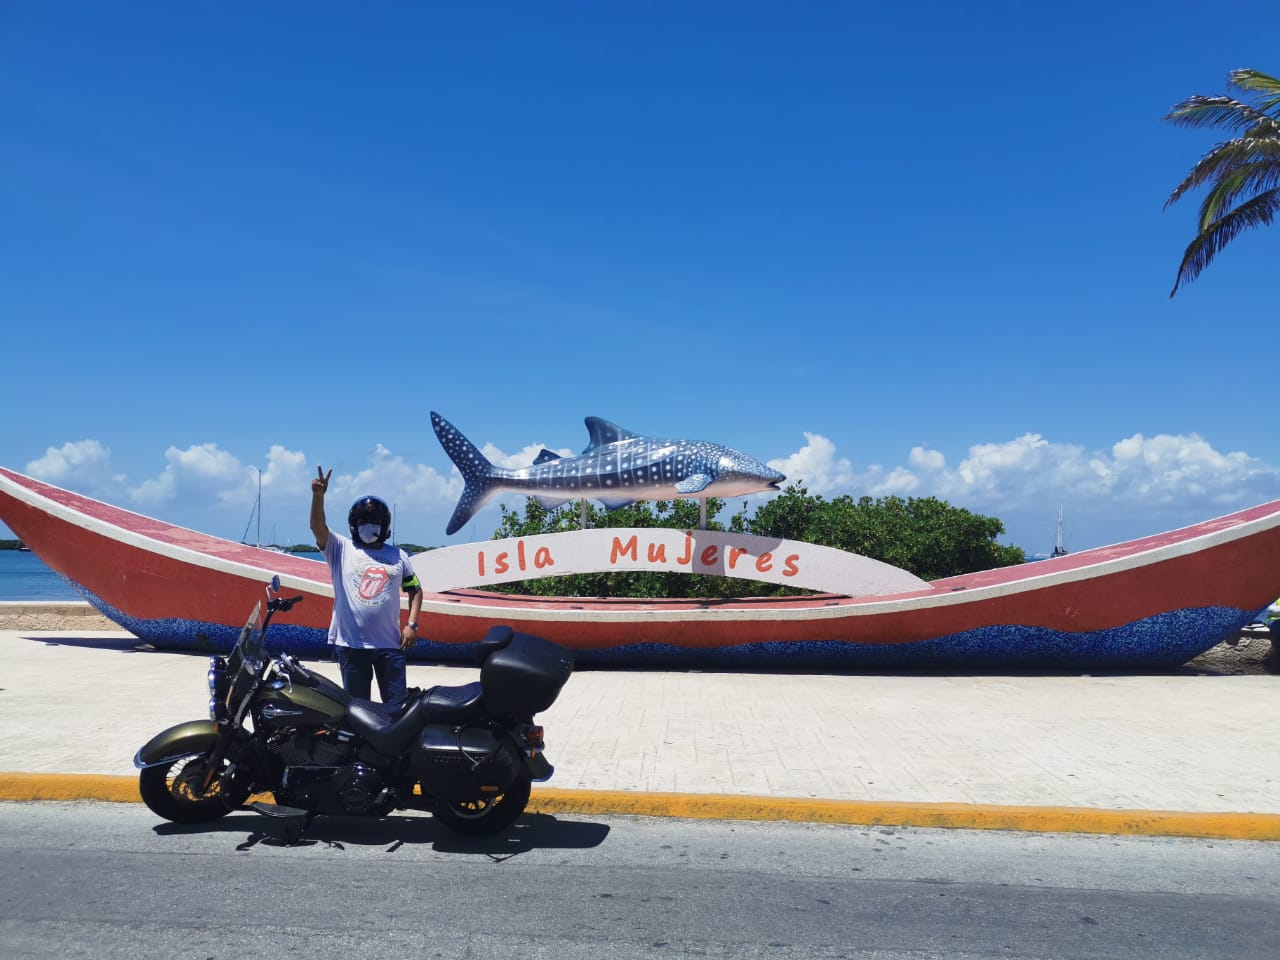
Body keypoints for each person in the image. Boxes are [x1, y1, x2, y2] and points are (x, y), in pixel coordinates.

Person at [310, 465, 423, 712]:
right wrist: (318, 497)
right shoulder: (340, 549)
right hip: (352, 646)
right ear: (354, 525)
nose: (370, 527)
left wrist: (412, 625)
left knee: (397, 709)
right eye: (364, 522)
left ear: (385, 526)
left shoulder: (398, 556)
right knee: (357, 710)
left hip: (390, 645)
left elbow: (415, 590)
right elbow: (318, 528)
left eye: (375, 522)